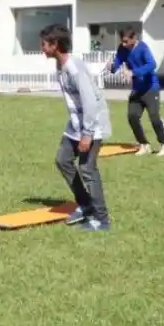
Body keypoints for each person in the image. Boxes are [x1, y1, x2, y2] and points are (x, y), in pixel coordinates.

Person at [41, 24, 112, 232]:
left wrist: (87, 134)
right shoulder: (60, 66)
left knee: (88, 169)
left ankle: (101, 219)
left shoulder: (74, 68)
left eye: (44, 44)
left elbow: (90, 101)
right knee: (63, 160)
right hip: (75, 124)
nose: (42, 48)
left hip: (92, 124)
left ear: (55, 45)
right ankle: (85, 204)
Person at [108, 28, 164, 157]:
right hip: (136, 89)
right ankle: (144, 145)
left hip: (150, 88)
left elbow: (152, 64)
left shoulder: (143, 48)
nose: (124, 44)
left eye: (126, 41)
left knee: (154, 117)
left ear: (134, 38)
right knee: (132, 117)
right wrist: (112, 67)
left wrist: (134, 72)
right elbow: (118, 61)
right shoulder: (122, 48)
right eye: (122, 42)